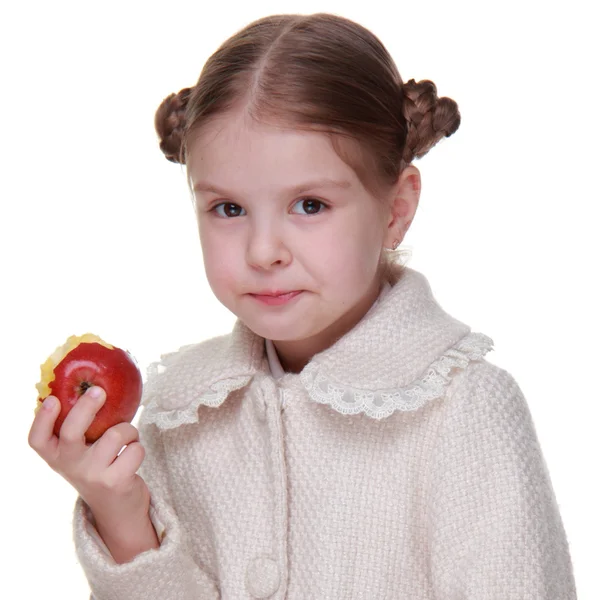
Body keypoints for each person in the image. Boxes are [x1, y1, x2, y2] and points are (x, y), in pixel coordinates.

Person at [28, 12, 578, 600]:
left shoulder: (465, 410)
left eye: (310, 205)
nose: (264, 251)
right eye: (229, 209)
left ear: (395, 209)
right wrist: (121, 513)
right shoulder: (183, 408)